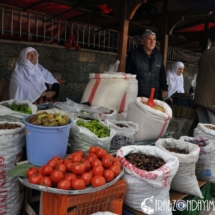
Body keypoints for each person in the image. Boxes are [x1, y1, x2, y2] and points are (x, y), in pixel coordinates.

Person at [125, 29, 168, 99]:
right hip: (137, 95)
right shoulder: (134, 55)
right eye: (149, 39)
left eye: (154, 39)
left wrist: (165, 88)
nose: (152, 42)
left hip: (154, 95)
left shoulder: (158, 56)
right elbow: (128, 74)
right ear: (143, 41)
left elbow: (162, 73)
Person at [194, 43, 215, 124]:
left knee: (204, 130)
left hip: (201, 96)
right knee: (212, 131)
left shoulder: (207, 52)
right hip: (211, 98)